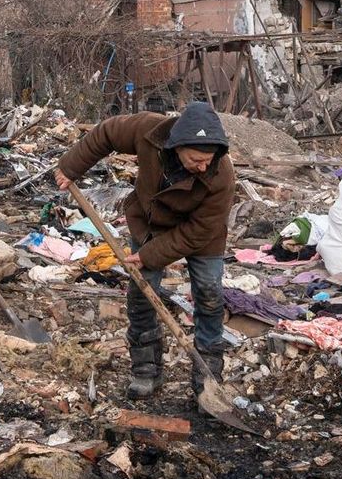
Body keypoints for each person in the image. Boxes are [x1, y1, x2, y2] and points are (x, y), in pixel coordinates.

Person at [55, 101, 235, 399]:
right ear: (177, 145)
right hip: (152, 224)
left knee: (209, 294)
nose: (204, 166)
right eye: (197, 159)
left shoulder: (221, 174)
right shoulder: (149, 131)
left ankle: (208, 380)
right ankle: (145, 370)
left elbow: (200, 230)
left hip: (202, 234)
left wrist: (150, 255)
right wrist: (71, 167)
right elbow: (107, 133)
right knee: (141, 293)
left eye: (209, 160)